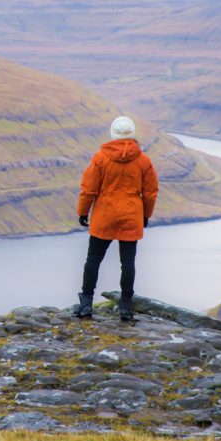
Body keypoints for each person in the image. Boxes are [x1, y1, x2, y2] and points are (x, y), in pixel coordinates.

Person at [74, 115, 158, 321]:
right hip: (131, 215)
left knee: (93, 259)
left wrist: (83, 212)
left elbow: (89, 189)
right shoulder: (143, 161)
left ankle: (86, 304)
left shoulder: (100, 158)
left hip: (105, 215)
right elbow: (150, 192)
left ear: (113, 134)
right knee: (128, 263)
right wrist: (145, 215)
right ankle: (126, 308)